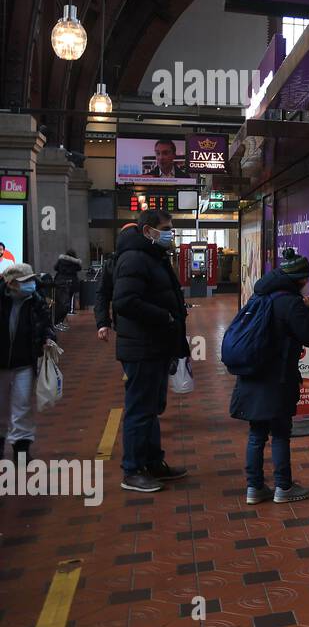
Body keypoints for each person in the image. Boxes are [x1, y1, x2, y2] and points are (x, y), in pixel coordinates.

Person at [230, 249, 309, 505]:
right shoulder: (291, 303)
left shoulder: (259, 297)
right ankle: (283, 486)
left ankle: (254, 488)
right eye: (306, 279)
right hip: (278, 379)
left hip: (251, 375)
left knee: (256, 433)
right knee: (281, 432)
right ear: (300, 279)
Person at [112, 209, 190, 492]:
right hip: (142, 347)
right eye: (166, 228)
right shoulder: (134, 258)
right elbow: (124, 301)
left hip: (155, 346)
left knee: (150, 410)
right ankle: (132, 470)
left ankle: (153, 462)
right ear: (148, 231)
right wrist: (164, 317)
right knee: (139, 410)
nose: (170, 233)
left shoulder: (152, 256)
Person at [0, 264, 56, 461]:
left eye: (31, 280)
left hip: (24, 362)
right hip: (1, 365)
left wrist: (48, 338)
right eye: (25, 282)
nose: (30, 285)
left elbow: (46, 325)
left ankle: (21, 448)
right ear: (11, 283)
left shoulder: (36, 301)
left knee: (22, 405)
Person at [52, 248, 82, 323]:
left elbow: (55, 268)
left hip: (60, 280)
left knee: (60, 300)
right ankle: (67, 313)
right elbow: (79, 269)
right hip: (71, 282)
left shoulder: (61, 260)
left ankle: (58, 319)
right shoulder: (75, 262)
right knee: (69, 299)